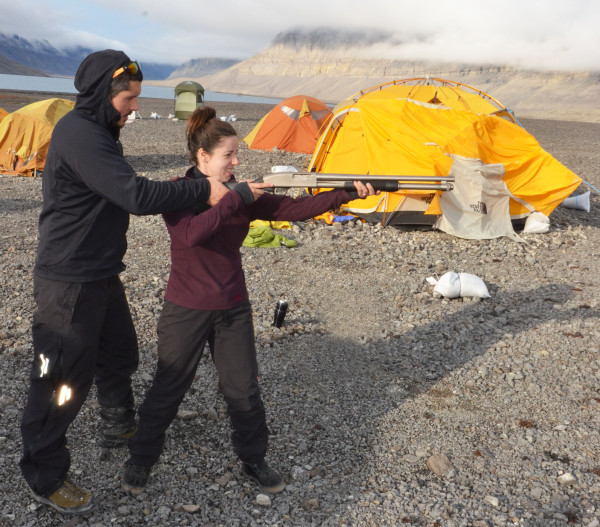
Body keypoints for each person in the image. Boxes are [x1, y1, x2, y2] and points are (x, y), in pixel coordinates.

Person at [122, 106, 377, 495]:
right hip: (186, 308)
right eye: (229, 155)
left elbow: (293, 208)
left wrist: (342, 193)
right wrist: (233, 199)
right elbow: (191, 235)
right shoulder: (178, 191)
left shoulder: (240, 192)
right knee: (169, 386)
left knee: (243, 389)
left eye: (237, 154)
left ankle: (253, 457)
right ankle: (141, 458)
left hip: (232, 306)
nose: (237, 162)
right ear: (203, 157)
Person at [19, 50, 228, 515]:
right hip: (68, 283)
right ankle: (44, 472)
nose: (135, 107)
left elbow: (120, 187)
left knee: (118, 355)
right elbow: (134, 195)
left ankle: (117, 426)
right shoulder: (80, 135)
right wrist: (201, 189)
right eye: (129, 98)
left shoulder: (100, 130)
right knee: (59, 383)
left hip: (99, 273)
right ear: (103, 93)